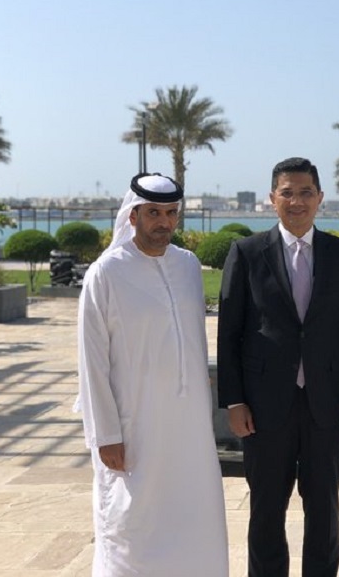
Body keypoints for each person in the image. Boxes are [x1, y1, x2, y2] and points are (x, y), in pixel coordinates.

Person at [217, 157, 339, 577]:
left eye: (305, 192)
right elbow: (229, 334)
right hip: (264, 409)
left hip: (326, 405)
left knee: (324, 511)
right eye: (287, 192)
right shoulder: (246, 253)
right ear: (272, 199)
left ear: (320, 198)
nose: (297, 201)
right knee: (266, 511)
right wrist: (233, 401)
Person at [76, 173, 228, 577]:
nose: (163, 222)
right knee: (132, 523)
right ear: (133, 216)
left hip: (189, 428)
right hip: (134, 425)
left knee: (194, 514)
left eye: (171, 213)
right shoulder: (105, 274)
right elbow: (92, 363)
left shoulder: (188, 265)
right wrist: (105, 434)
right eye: (154, 213)